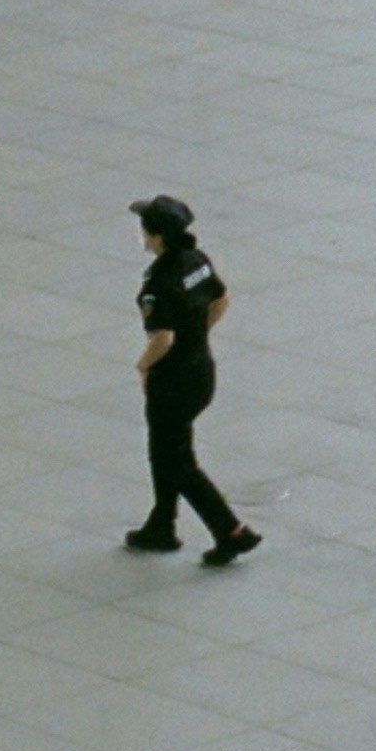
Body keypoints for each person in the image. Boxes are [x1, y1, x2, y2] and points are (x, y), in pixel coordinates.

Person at [124, 193, 255, 565]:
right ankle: (161, 524)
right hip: (201, 370)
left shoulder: (158, 282)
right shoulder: (196, 260)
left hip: (172, 382)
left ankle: (232, 531)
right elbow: (221, 299)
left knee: (177, 462)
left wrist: (143, 367)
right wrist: (197, 333)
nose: (143, 235)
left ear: (157, 236)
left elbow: (163, 338)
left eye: (145, 230)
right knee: (165, 452)